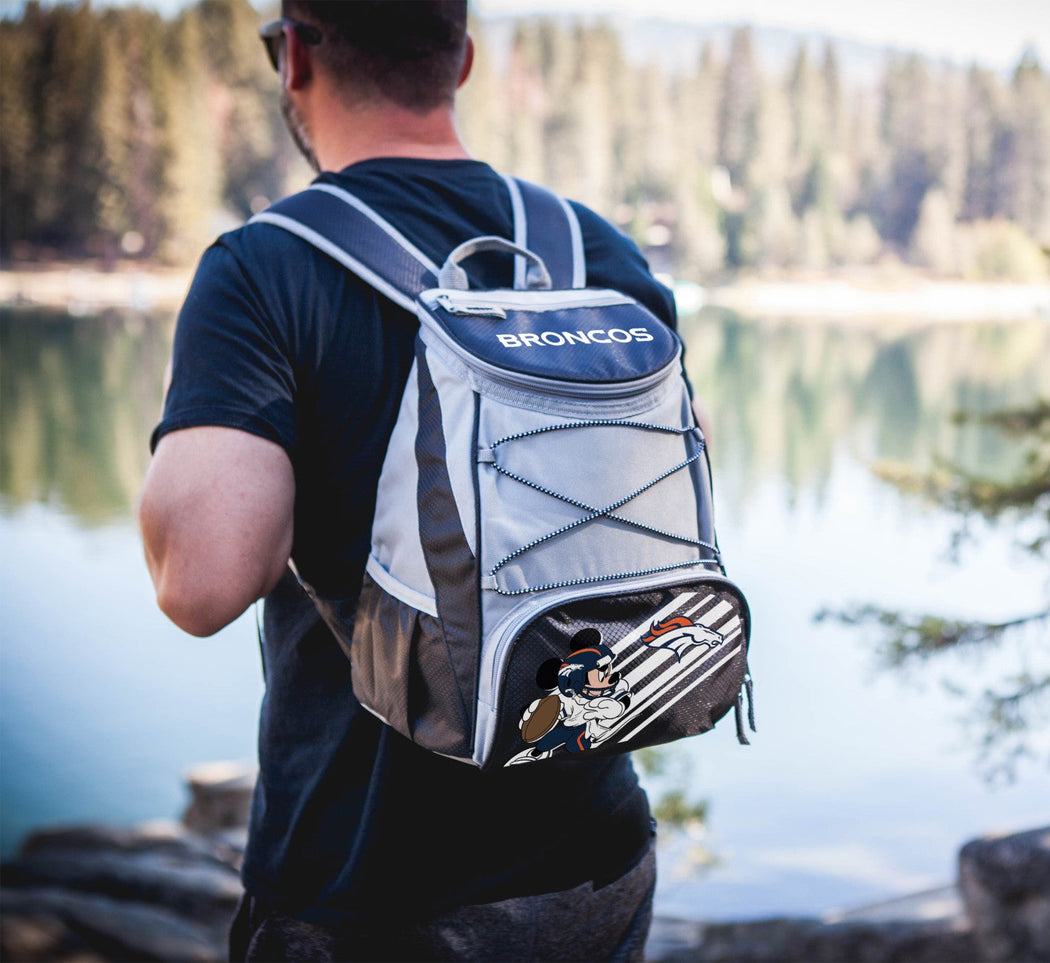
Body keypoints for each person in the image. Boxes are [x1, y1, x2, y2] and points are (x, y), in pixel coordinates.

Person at [138, 3, 671, 959]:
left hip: (372, 886)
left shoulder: (266, 268)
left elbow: (202, 581)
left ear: (294, 55)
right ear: (460, 59)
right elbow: (689, 475)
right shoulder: (594, 248)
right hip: (594, 851)